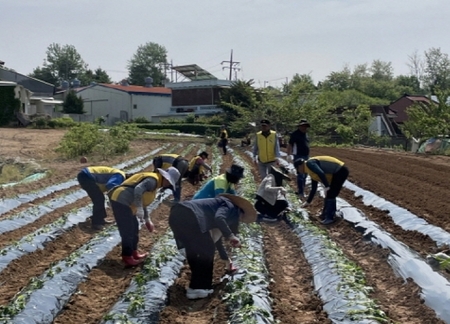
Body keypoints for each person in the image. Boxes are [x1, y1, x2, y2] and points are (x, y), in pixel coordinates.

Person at [168, 193, 257, 299]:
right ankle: (202, 287)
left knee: (193, 249)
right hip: (190, 215)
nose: (239, 220)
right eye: (241, 218)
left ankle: (194, 288)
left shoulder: (214, 206)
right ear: (241, 212)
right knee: (207, 250)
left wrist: (226, 260)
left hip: (175, 214)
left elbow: (216, 241)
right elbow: (219, 218)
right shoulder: (230, 206)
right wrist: (231, 236)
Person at [108, 167, 181, 266]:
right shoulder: (153, 180)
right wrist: (139, 208)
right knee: (127, 230)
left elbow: (143, 200)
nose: (168, 185)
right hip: (121, 200)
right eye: (168, 182)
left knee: (134, 228)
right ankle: (127, 257)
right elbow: (138, 190)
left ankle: (134, 253)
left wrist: (147, 220)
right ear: (165, 178)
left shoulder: (156, 184)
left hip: (128, 203)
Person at [294, 156, 349, 225]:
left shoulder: (309, 163)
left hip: (340, 171)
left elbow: (321, 173)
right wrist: (307, 202)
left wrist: (326, 186)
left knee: (331, 194)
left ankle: (330, 218)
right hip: (337, 173)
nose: (299, 172)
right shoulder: (310, 171)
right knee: (329, 194)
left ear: (300, 166)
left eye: (298, 170)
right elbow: (313, 189)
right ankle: (325, 214)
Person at [77, 166, 128, 230]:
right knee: (99, 199)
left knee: (99, 199)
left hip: (86, 176)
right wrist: (112, 200)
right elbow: (110, 185)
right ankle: (96, 223)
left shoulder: (120, 175)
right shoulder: (120, 176)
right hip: (86, 176)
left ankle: (100, 220)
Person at [287, 119, 310, 200]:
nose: (304, 127)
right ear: (299, 126)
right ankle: (301, 192)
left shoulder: (306, 134)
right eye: (302, 126)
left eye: (305, 126)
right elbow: (290, 144)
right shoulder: (295, 134)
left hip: (306, 156)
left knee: (305, 174)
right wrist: (289, 155)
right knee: (301, 174)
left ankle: (302, 190)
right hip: (298, 156)